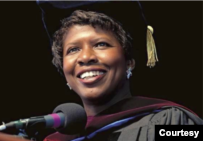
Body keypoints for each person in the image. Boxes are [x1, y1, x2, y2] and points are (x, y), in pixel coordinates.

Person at [36, 0, 203, 141]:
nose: (85, 57)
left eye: (101, 44)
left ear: (129, 62)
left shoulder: (171, 122)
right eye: (72, 50)